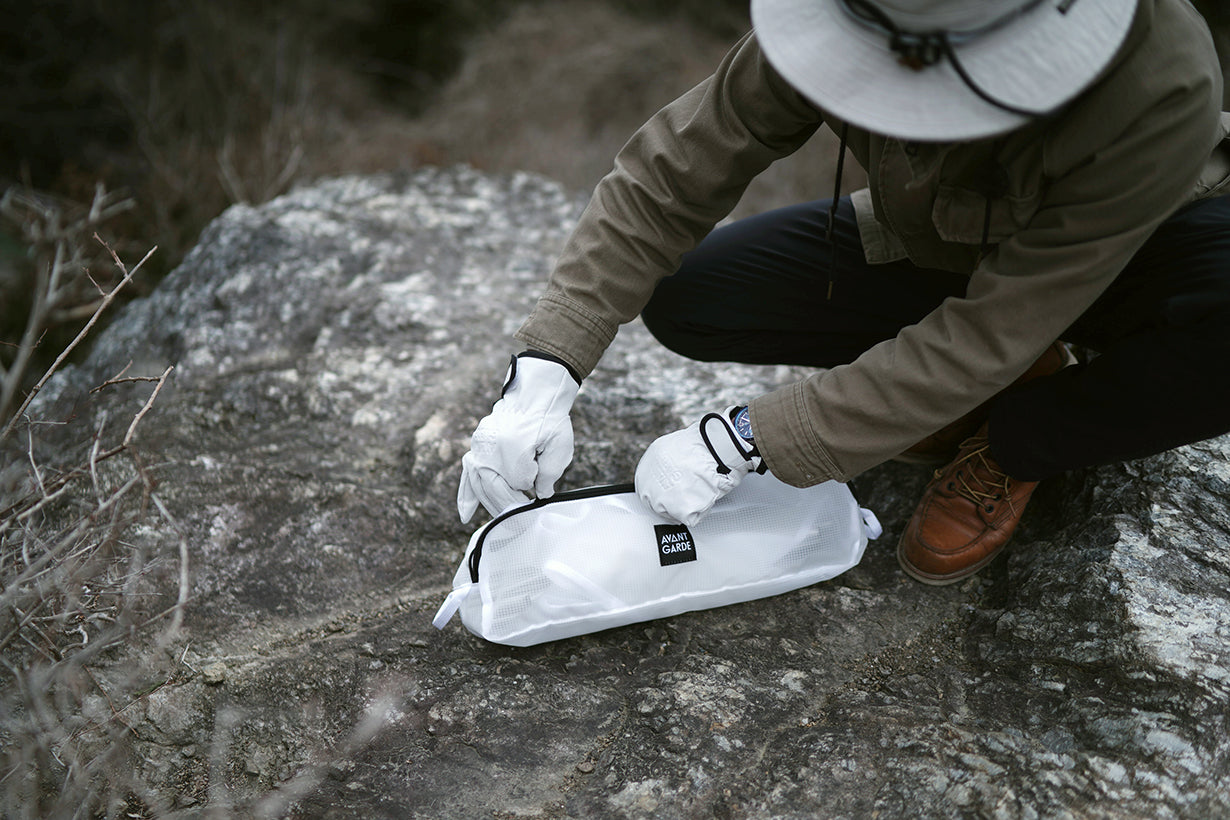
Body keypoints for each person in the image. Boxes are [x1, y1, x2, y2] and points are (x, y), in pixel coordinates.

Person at [457, 0, 1230, 585]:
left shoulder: (1159, 77)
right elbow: (674, 171)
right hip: (952, 239)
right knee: (693, 296)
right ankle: (960, 393)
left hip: (1141, 252)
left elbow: (994, 329)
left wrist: (742, 441)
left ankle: (1023, 431)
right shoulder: (847, 8)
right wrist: (544, 371)